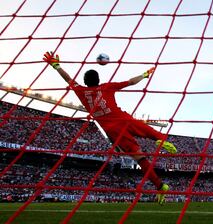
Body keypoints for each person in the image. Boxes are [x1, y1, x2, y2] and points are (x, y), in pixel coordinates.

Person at [43, 51, 177, 205]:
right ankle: (160, 140)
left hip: (113, 131)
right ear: (98, 80)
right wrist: (145, 74)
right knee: (149, 130)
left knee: (140, 158)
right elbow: (131, 82)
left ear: (85, 82)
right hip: (123, 119)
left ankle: (160, 186)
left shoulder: (81, 92)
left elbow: (68, 79)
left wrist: (56, 66)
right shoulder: (107, 87)